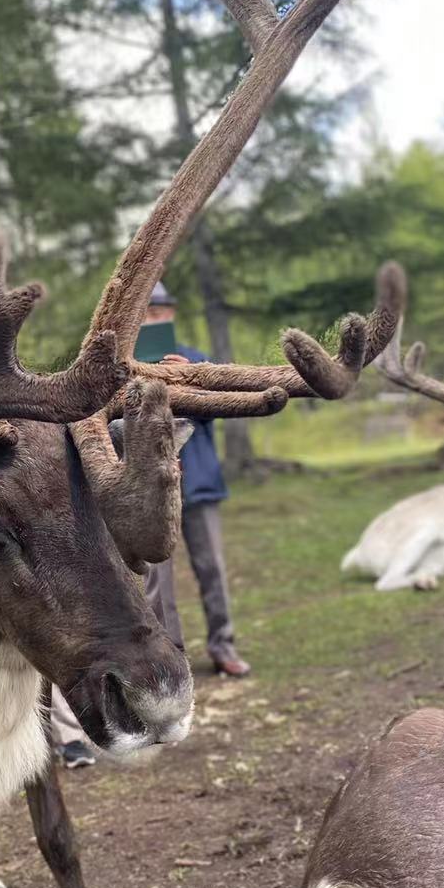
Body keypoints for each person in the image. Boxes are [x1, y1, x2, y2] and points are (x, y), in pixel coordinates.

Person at [142, 281, 251, 678]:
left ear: (170, 314)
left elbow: (218, 407)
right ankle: (169, 655)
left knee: (211, 567)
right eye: (146, 313)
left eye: (159, 312)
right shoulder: (126, 364)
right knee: (156, 578)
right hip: (150, 488)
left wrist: (188, 379)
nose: (153, 319)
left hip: (198, 483)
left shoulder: (195, 360)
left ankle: (223, 644)